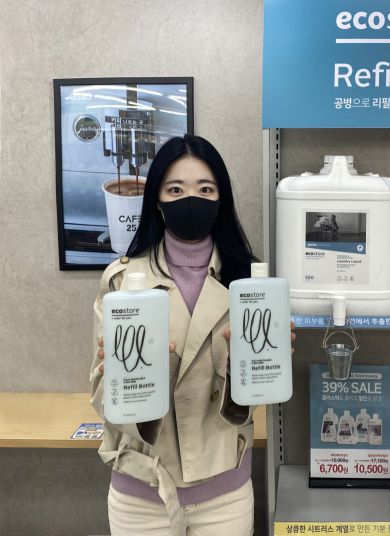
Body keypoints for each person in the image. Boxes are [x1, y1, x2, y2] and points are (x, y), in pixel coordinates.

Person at [90, 134, 294, 536]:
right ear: (156, 200)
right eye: (175, 190)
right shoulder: (121, 281)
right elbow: (99, 396)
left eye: (205, 189)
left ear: (221, 199)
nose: (190, 200)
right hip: (141, 495)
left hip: (224, 495)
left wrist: (254, 369)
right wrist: (126, 378)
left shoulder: (249, 284)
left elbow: (258, 400)